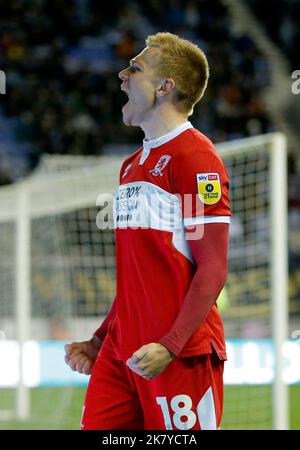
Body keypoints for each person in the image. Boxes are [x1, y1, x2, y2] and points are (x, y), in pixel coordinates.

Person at [64, 32, 231, 430]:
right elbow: (139, 277)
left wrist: (170, 346)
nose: (122, 76)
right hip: (123, 352)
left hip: (174, 354)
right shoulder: (130, 166)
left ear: (164, 87)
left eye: (134, 69)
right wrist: (102, 337)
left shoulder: (195, 158)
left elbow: (212, 268)